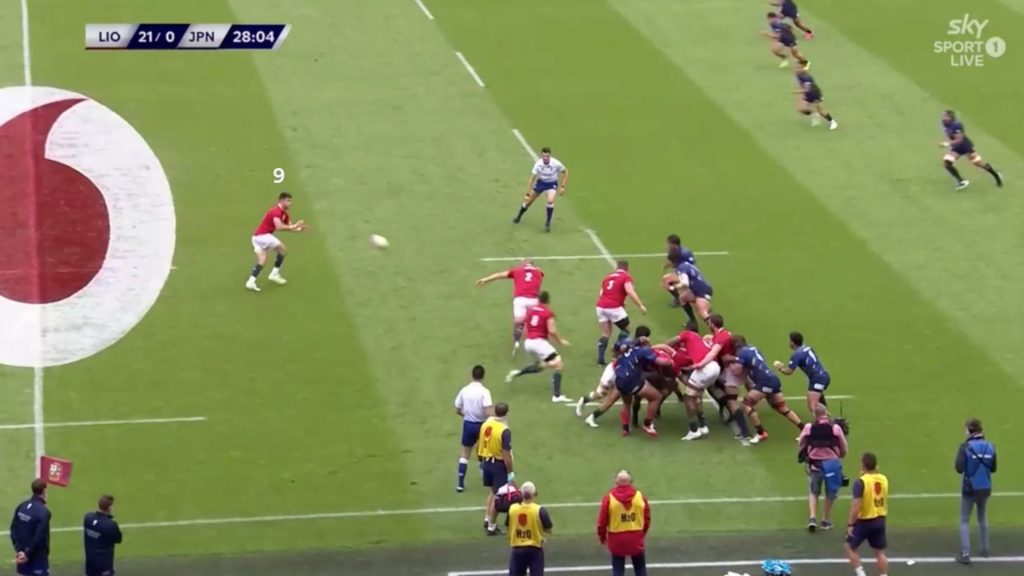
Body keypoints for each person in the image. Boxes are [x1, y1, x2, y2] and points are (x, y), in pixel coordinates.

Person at [733, 335, 804, 440]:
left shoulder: (742, 353)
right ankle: (804, 428)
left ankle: (761, 432)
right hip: (773, 379)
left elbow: (737, 371)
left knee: (746, 404)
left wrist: (731, 362)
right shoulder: (754, 349)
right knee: (782, 408)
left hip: (764, 382)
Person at [506, 292, 573, 403]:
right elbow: (552, 330)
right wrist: (560, 341)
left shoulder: (531, 311)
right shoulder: (548, 313)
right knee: (558, 364)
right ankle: (557, 396)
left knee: (540, 366)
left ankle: (517, 372)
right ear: (548, 300)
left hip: (528, 343)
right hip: (539, 343)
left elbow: (521, 322)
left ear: (538, 300)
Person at [662, 321, 720, 441]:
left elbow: (669, 343)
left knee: (688, 397)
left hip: (705, 368)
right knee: (697, 395)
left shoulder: (687, 334)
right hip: (714, 367)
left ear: (687, 329)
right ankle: (703, 425)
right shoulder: (700, 340)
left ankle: (694, 430)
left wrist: (660, 348)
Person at [476, 260, 544, 355]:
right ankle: (535, 341)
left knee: (518, 322)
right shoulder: (538, 272)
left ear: (523, 264)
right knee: (533, 321)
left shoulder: (517, 270)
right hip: (533, 300)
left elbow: (499, 275)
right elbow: (541, 273)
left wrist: (485, 280)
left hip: (520, 300)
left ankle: (517, 341)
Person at [798, 405, 848, 532]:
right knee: (831, 493)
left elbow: (801, 443)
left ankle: (812, 518)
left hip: (815, 465)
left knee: (813, 492)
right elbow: (843, 446)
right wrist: (841, 455)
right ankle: (825, 520)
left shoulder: (809, 427)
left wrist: (804, 455)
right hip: (832, 466)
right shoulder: (835, 428)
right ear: (826, 413)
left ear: (815, 414)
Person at [955, 418, 997, 564]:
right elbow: (993, 468)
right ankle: (985, 549)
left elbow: (959, 468)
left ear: (970, 430)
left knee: (964, 520)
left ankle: (965, 553)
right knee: (982, 518)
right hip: (985, 487)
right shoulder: (990, 446)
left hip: (970, 488)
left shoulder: (965, 447)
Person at [246, 192, 306, 292]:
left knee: (262, 260)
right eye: (288, 201)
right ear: (281, 201)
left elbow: (289, 227)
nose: (290, 203)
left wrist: (298, 229)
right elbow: (279, 226)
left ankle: (250, 282)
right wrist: (294, 226)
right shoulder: (276, 211)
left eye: (290, 201)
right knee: (283, 250)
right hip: (263, 236)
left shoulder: (284, 214)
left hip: (256, 237)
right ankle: (274, 274)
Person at [597, 470, 651, 576]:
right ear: (630, 481)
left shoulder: (609, 498)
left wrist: (602, 537)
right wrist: (642, 533)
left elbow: (602, 521)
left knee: (617, 569)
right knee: (640, 568)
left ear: (616, 481)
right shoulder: (640, 496)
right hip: (636, 537)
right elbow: (647, 518)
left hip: (616, 539)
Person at [845, 453, 889, 576]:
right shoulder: (884, 479)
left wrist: (850, 524)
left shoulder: (860, 482)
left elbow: (856, 505)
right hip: (880, 519)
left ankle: (861, 574)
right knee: (880, 552)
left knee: (849, 546)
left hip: (865, 521)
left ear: (863, 465)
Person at [596, 261, 647, 365]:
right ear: (627, 269)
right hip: (614, 307)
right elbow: (630, 291)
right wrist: (640, 305)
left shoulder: (607, 277)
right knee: (627, 329)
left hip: (600, 306)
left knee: (606, 333)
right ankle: (617, 350)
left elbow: (602, 293)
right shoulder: (625, 277)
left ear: (617, 268)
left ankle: (600, 359)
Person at [454, 365, 494, 492]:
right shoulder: (485, 392)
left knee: (465, 453)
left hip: (468, 424)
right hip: (482, 425)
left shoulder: (464, 390)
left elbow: (457, 409)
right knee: (483, 450)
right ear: (483, 377)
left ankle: (460, 483)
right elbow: (487, 411)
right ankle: (485, 476)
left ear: (471, 375)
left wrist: (466, 415)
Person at [940, 110, 1002, 191]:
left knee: (978, 163)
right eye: (943, 116)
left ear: (951, 118)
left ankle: (995, 174)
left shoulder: (956, 125)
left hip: (965, 146)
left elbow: (959, 139)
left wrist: (948, 144)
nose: (944, 118)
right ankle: (962, 181)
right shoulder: (946, 125)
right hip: (956, 148)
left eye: (946, 117)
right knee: (947, 163)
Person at [478, 403, 515, 536]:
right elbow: (506, 455)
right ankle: (491, 527)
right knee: (499, 496)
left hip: (486, 461)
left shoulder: (486, 424)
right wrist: (510, 472)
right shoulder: (504, 430)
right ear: (507, 413)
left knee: (493, 492)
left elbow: (480, 443)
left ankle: (487, 518)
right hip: (498, 464)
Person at [512, 147, 569, 232]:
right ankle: (519, 216)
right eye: (543, 156)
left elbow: (566, 172)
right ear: (541, 156)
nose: (545, 158)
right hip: (541, 183)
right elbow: (532, 179)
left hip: (551, 184)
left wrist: (562, 186)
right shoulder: (538, 164)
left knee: (550, 201)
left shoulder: (556, 163)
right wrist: (527, 193)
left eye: (547, 156)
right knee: (528, 202)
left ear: (550, 156)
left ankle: (548, 223)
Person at [774, 331, 831, 414]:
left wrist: (780, 368)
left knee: (813, 407)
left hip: (817, 379)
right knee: (819, 405)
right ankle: (828, 418)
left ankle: (825, 421)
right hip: (822, 376)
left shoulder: (797, 354)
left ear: (793, 342)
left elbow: (789, 371)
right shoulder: (808, 348)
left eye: (790, 341)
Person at [508, 482, 551, 576]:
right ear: (534, 494)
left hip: (517, 549)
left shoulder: (512, 509)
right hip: (535, 550)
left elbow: (508, 524)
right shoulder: (539, 510)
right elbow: (548, 528)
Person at [9, 479, 51, 576]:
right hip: (37, 558)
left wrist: (19, 550)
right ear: (44, 491)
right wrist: (27, 554)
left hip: (21, 556)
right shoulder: (44, 512)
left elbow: (13, 529)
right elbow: (39, 537)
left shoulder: (21, 506)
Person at [83, 494, 122, 576]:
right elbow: (118, 539)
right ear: (110, 508)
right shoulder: (110, 524)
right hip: (104, 567)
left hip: (90, 566)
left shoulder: (88, 518)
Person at [792, 65, 837, 130]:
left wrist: (797, 92)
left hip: (814, 93)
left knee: (820, 110)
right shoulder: (797, 75)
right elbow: (802, 85)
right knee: (801, 109)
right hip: (808, 94)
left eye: (798, 68)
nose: (796, 69)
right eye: (796, 68)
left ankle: (832, 122)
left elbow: (807, 89)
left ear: (802, 69)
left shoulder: (807, 77)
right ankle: (815, 114)